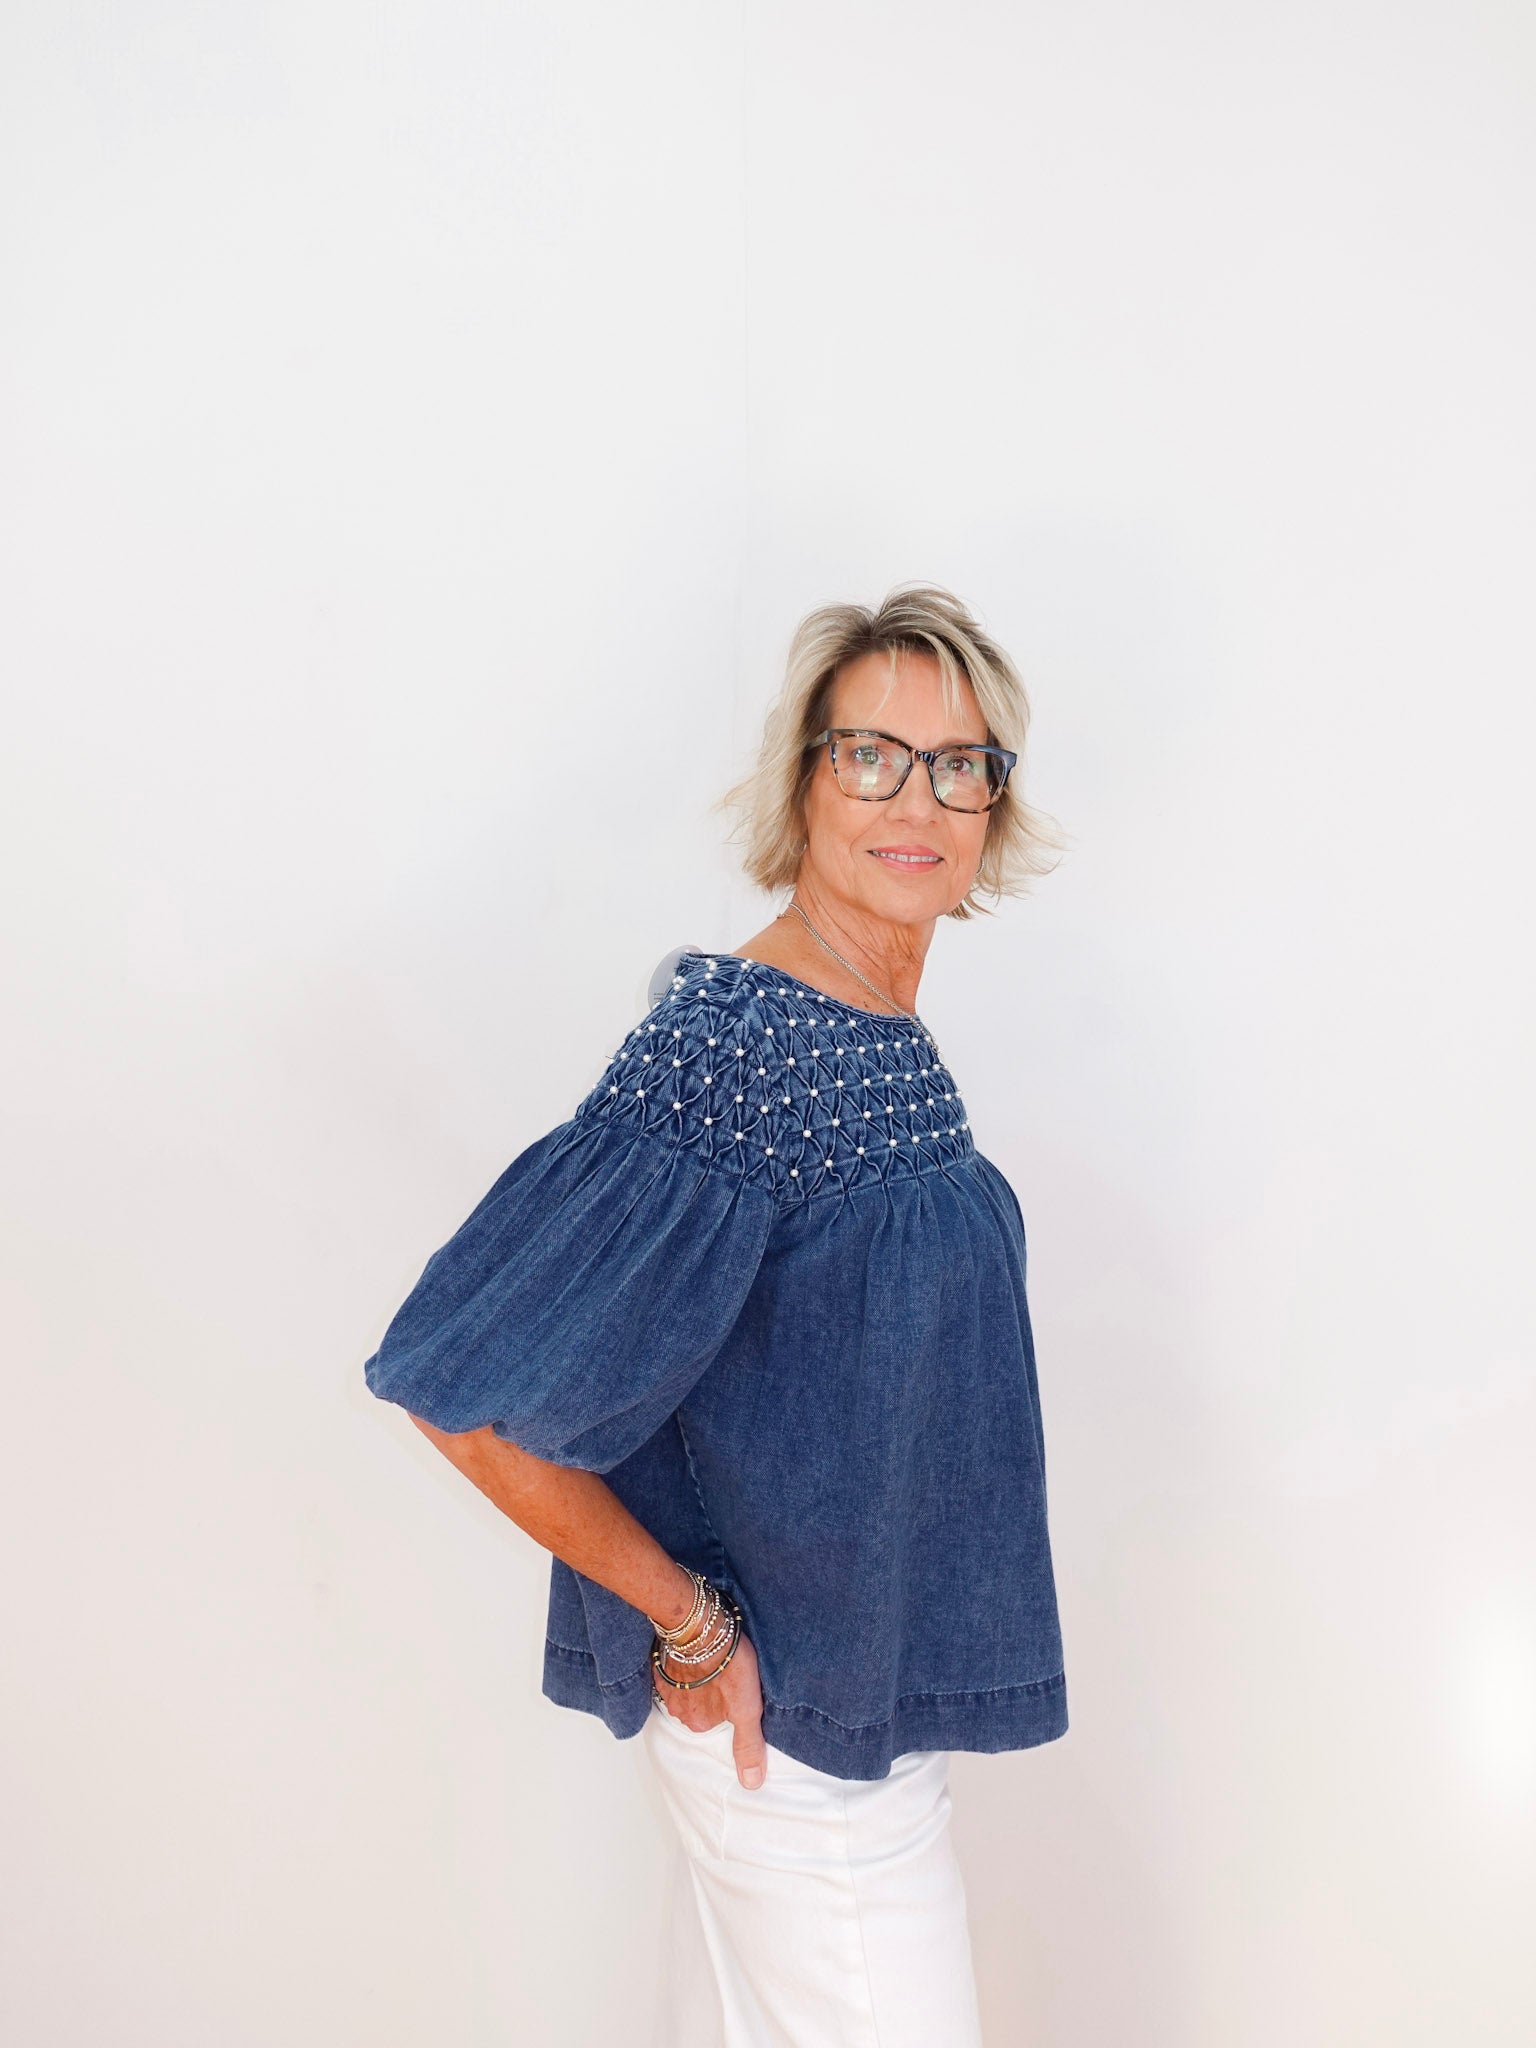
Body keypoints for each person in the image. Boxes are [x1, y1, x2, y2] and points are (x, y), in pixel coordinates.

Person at [363, 582, 1071, 2046]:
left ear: (995, 803)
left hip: (852, 1727)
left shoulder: (871, 1023)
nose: (916, 798)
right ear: (804, 778)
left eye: (959, 764)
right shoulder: (738, 1048)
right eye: (872, 753)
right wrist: (686, 1623)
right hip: (796, 1758)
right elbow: (463, 1391)